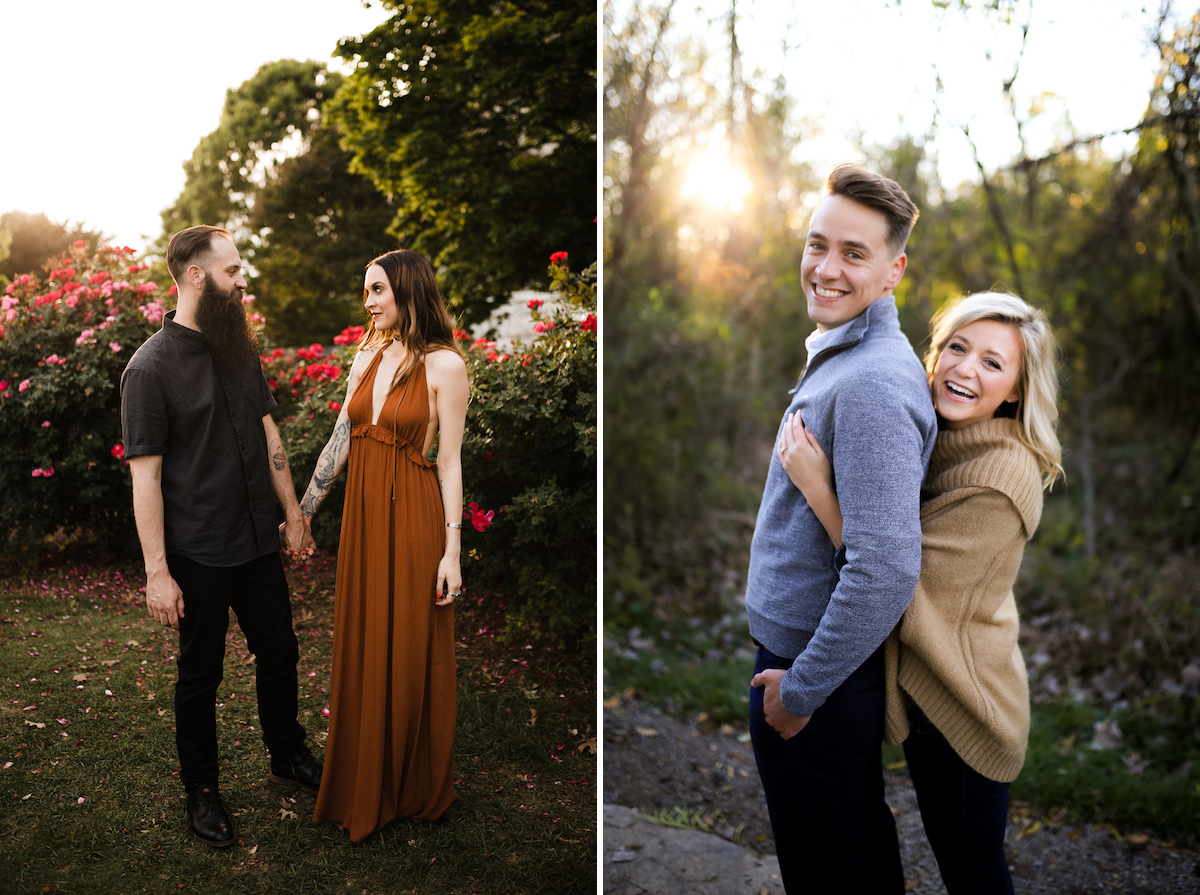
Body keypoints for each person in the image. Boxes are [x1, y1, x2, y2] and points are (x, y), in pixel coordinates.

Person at [780, 291, 1063, 895]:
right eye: (957, 348)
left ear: (1016, 388)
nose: (965, 369)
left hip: (964, 704)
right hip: (930, 682)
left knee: (974, 874)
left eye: (993, 362)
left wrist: (819, 487)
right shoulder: (938, 441)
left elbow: (894, 584)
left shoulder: (1000, 480)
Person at [744, 165, 938, 894]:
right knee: (853, 855)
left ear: (894, 271)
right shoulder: (846, 354)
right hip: (811, 666)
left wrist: (799, 693)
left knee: (827, 869)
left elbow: (886, 568)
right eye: (817, 244)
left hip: (813, 676)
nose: (825, 268)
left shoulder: (872, 383)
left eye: (853, 253)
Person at [121, 225, 323, 848]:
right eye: (234, 270)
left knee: (281, 652)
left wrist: (292, 513)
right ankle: (202, 791)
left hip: (258, 540)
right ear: (197, 277)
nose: (244, 280)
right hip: (199, 552)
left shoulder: (238, 348)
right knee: (199, 676)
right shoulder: (149, 368)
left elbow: (268, 435)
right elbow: (146, 480)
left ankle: (285, 753)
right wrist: (158, 573)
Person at [299, 249, 469, 842]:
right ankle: (360, 772)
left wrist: (452, 552)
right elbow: (341, 439)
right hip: (363, 517)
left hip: (415, 515)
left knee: (407, 642)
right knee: (366, 636)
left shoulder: (445, 365)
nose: (367, 302)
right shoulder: (367, 352)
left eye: (376, 290)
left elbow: (448, 462)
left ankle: (406, 781)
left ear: (406, 290)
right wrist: (303, 512)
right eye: (365, 291)